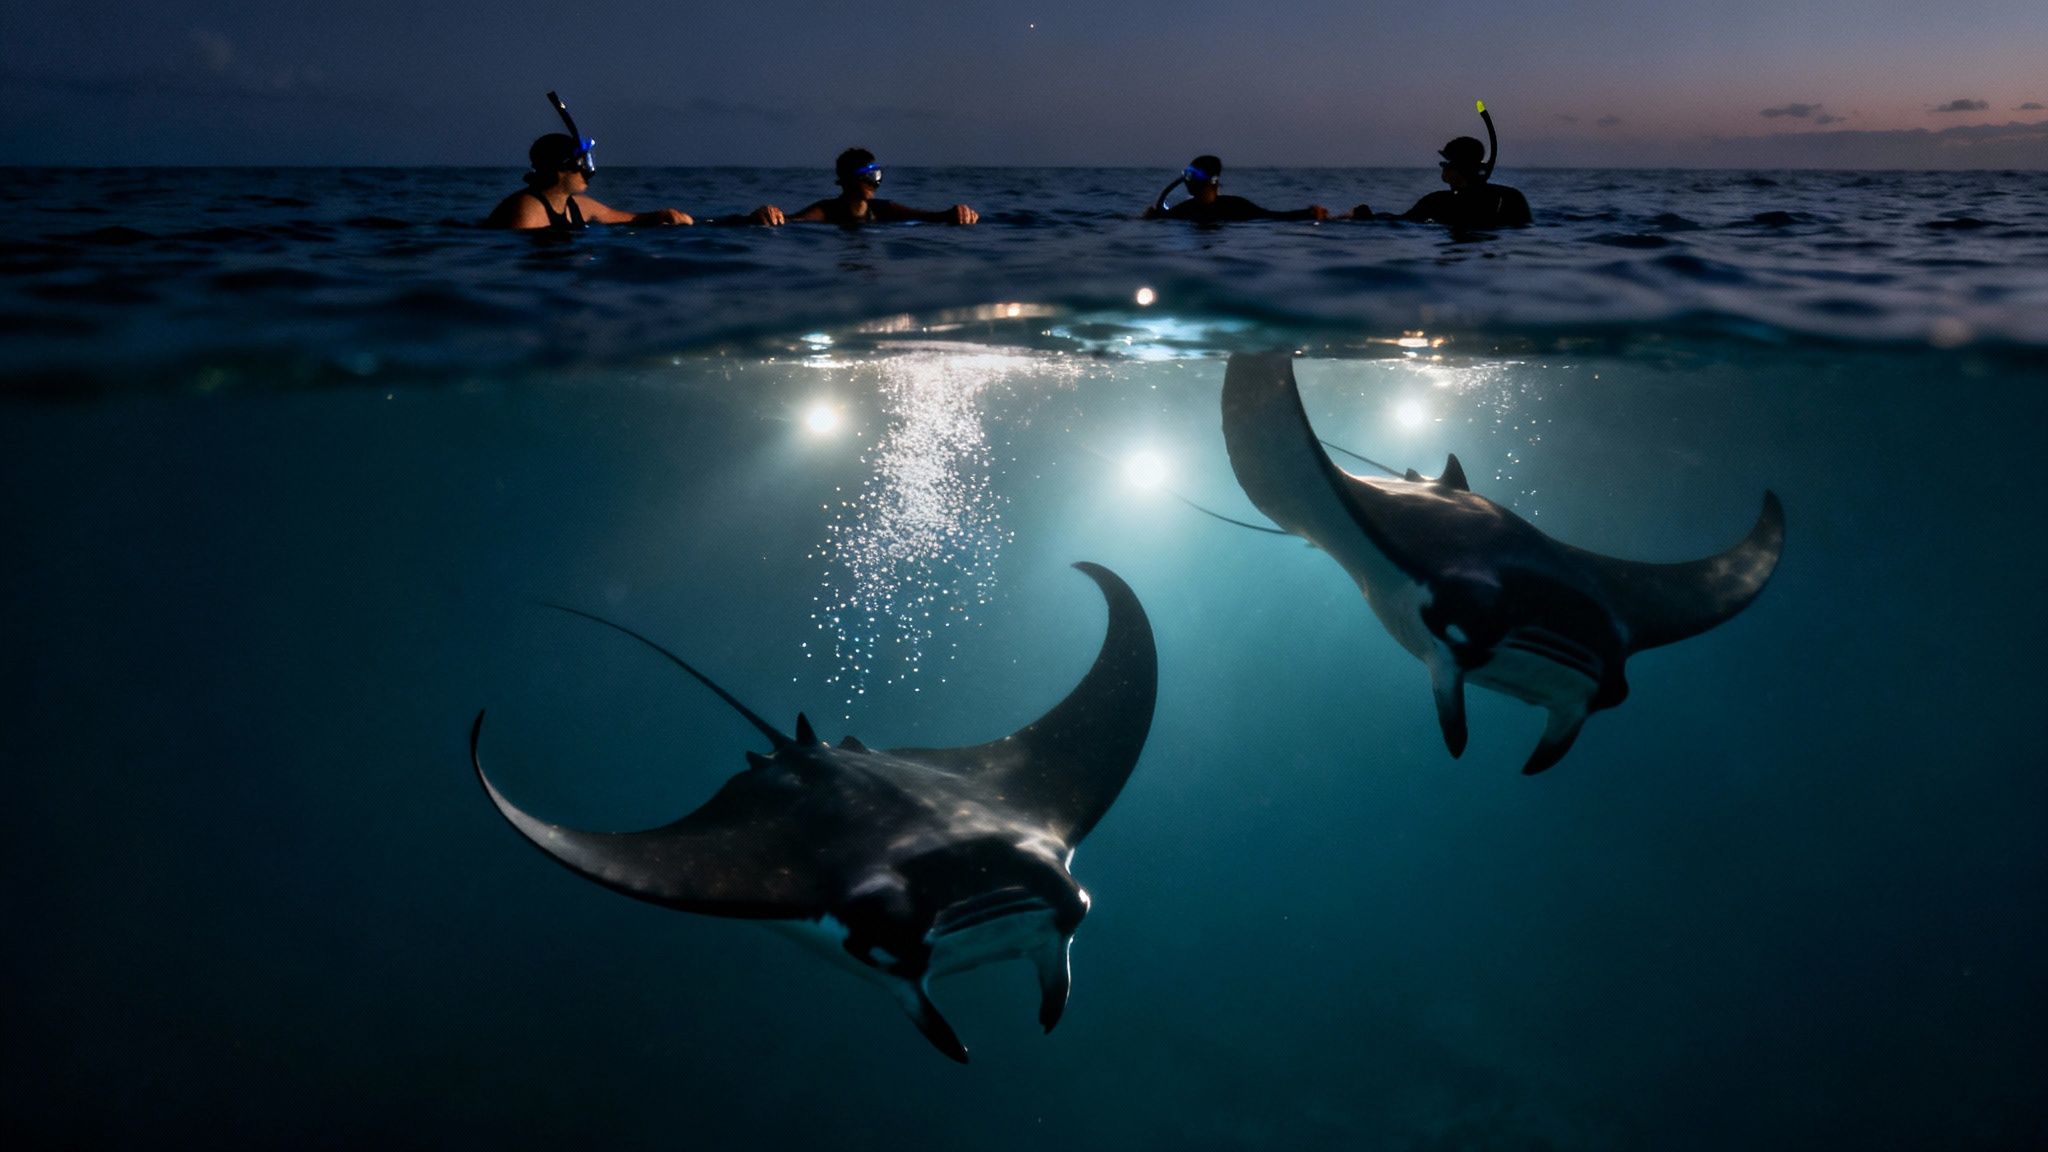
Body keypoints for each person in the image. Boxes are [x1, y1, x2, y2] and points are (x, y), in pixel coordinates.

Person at [484, 133, 693, 230]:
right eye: (582, 164)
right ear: (561, 169)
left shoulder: (578, 206)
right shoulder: (526, 211)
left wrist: (662, 215)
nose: (587, 171)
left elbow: (630, 219)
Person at [747, 149, 978, 225]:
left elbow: (930, 218)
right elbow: (790, 221)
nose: (873, 182)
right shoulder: (827, 210)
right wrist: (766, 215)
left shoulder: (884, 209)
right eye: (867, 176)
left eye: (877, 175)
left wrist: (956, 213)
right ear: (846, 180)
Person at [1351, 137, 1530, 229]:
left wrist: (1362, 216)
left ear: (1460, 167)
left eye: (1446, 163)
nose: (1442, 167)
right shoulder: (1512, 196)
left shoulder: (1437, 201)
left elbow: (1400, 222)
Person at [1143, 156, 1329, 222]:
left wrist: (1309, 213)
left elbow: (1274, 217)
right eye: (1186, 174)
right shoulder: (1183, 210)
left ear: (1213, 181)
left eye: (1193, 175)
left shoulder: (1236, 206)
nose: (1187, 181)